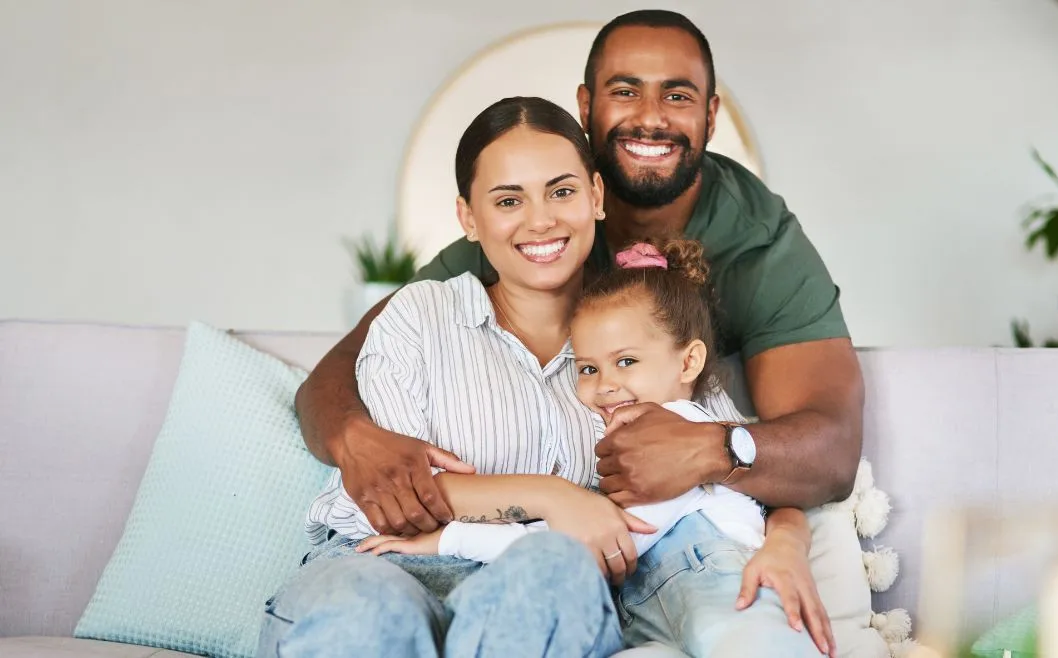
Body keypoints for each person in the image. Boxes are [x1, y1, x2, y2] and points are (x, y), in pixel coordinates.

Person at [293, 10, 863, 553]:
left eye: (677, 95)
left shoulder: (759, 241)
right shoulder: (535, 225)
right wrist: (354, 438)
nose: (651, 116)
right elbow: (344, 367)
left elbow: (831, 453)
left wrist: (716, 450)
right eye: (624, 91)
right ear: (586, 105)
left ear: (711, 116)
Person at [258, 96, 638, 657]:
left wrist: (783, 535)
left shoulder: (641, 333)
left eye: (562, 191)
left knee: (554, 566)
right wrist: (555, 497)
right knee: (367, 610)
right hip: (380, 564)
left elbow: (702, 457)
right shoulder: (419, 314)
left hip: (532, 596)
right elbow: (396, 499)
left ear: (597, 197)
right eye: (509, 200)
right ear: (468, 218)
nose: (542, 219)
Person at [358, 237, 834, 657]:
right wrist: (785, 538)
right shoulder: (643, 435)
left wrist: (443, 540)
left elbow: (585, 543)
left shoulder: (681, 430)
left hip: (720, 586)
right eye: (587, 369)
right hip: (655, 611)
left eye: (626, 361)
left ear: (688, 362)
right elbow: (772, 504)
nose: (605, 386)